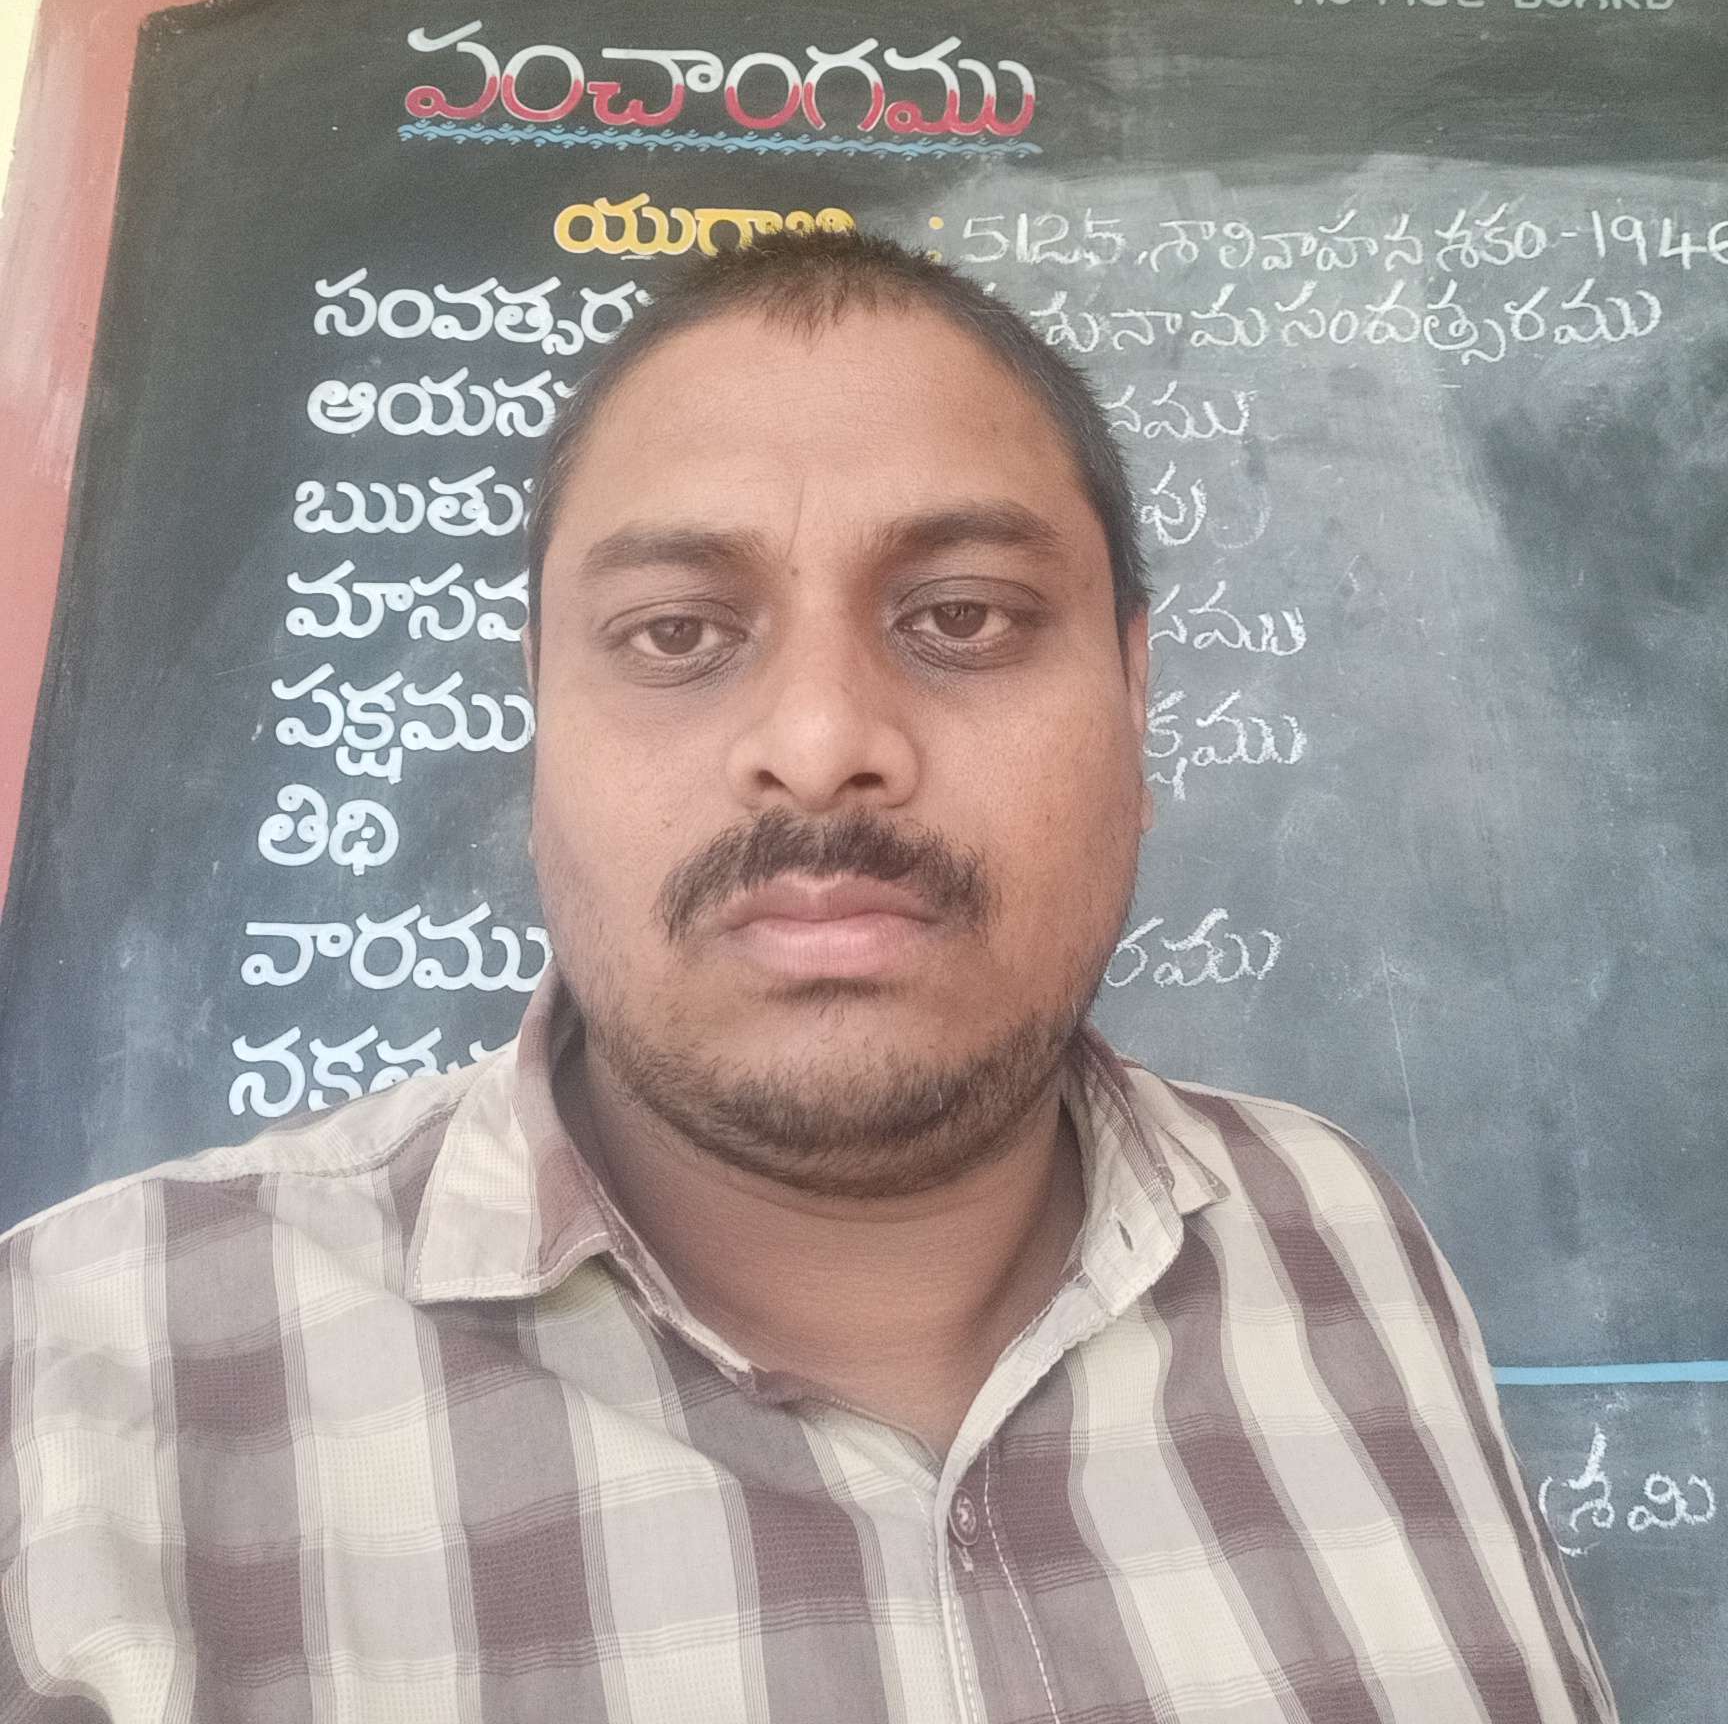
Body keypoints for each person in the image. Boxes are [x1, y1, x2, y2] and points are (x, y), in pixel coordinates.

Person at [1, 230, 1615, 1721]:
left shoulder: (1340, 1240)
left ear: (1135, 695)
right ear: (540, 711)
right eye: (676, 634)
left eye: (964, 616)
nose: (825, 740)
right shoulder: (79, 1389)